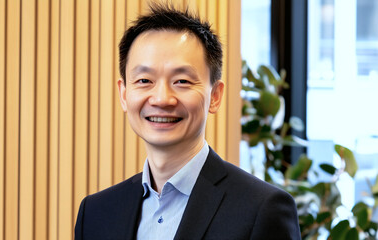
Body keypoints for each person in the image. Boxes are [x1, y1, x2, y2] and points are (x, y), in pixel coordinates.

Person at [75, 3, 301, 240]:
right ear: (124, 94)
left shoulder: (262, 209)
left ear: (215, 96)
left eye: (181, 81)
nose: (162, 99)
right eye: (144, 80)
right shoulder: (95, 213)